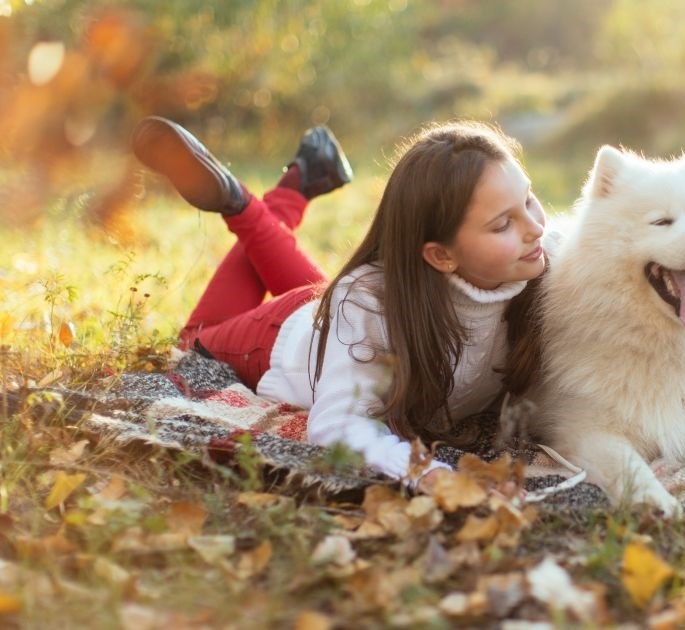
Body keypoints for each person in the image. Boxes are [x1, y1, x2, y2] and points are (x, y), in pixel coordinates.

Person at [131, 117, 549, 484]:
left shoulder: (539, 266)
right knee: (192, 342)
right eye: (503, 224)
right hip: (278, 339)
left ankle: (294, 185)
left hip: (339, 318)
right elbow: (338, 425)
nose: (535, 228)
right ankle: (243, 203)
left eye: (529, 199)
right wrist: (422, 471)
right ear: (440, 255)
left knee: (351, 300)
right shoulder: (368, 307)